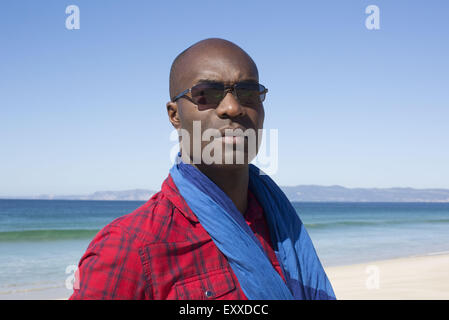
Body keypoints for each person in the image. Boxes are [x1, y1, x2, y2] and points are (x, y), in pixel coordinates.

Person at [69, 38, 335, 300]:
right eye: (206, 94)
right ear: (175, 115)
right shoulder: (129, 248)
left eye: (248, 93)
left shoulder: (281, 224)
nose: (232, 107)